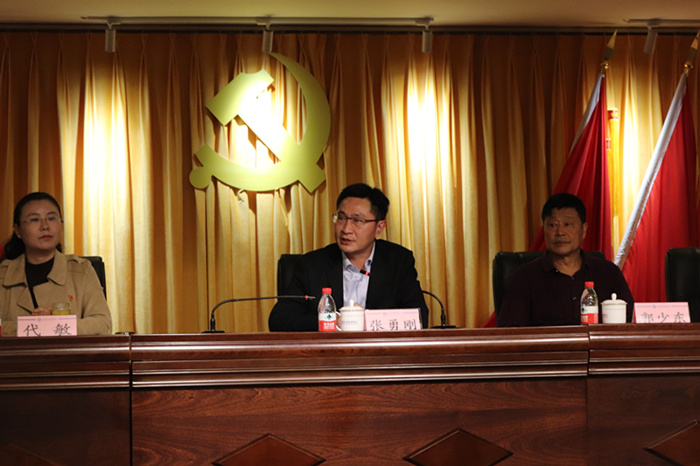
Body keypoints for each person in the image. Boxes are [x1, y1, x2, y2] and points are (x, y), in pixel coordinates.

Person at [269, 183, 429, 331]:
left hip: (381, 351)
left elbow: (419, 317)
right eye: (341, 218)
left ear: (379, 228)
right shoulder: (311, 265)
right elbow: (279, 319)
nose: (346, 229)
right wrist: (332, 321)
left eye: (357, 221)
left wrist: (366, 321)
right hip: (328, 351)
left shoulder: (398, 261)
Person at [497, 193, 634, 327]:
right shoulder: (525, 277)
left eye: (567, 224)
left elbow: (631, 323)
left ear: (584, 229)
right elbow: (510, 332)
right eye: (552, 225)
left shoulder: (608, 273)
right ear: (544, 229)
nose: (560, 232)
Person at [0, 192, 112, 336]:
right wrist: (34, 326)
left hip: (69, 351)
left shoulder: (81, 270)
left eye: (52, 218)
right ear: (18, 230)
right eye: (34, 219)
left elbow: (102, 324)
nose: (45, 226)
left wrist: (54, 323)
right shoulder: (3, 274)